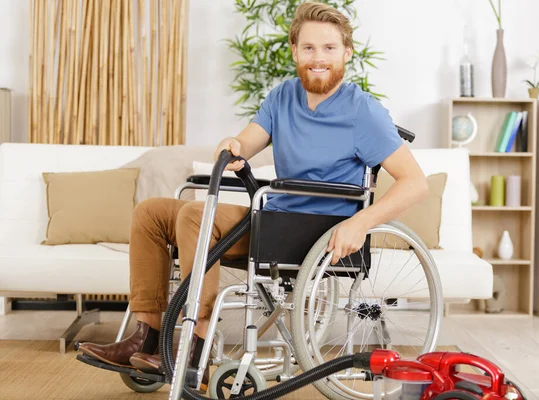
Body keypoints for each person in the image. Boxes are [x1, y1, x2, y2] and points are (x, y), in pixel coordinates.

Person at [77, 0, 428, 392]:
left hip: (317, 234)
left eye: (329, 48)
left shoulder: (363, 112)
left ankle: (195, 346)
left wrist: (361, 222)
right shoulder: (283, 98)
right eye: (309, 48)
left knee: (194, 216)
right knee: (152, 212)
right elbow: (247, 141)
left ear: (347, 52)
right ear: (295, 51)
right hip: (273, 222)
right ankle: (146, 337)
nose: (318, 58)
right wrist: (233, 145)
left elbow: (415, 182)